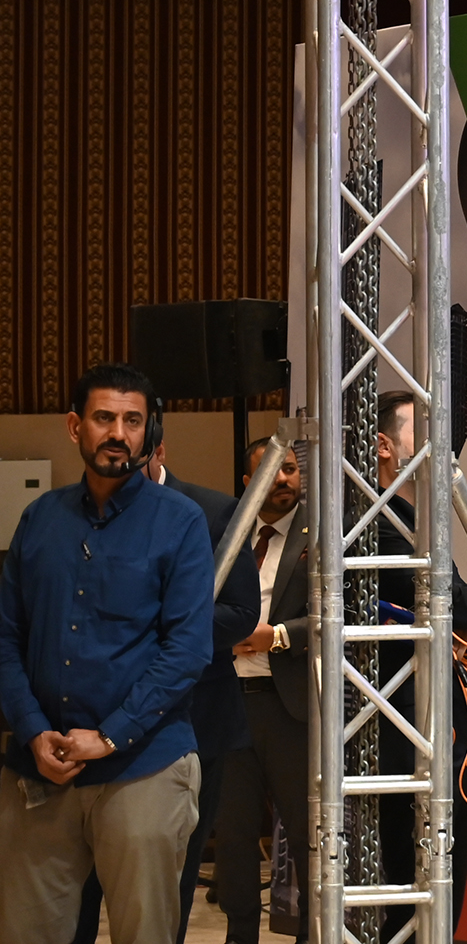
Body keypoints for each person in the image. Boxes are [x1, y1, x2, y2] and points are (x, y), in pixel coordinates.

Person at [0, 363, 213, 944]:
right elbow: (7, 639)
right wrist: (32, 730)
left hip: (144, 765)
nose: (119, 433)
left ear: (148, 431)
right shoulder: (39, 519)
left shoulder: (180, 522)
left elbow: (188, 649)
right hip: (41, 767)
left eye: (132, 421)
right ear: (75, 426)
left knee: (144, 934)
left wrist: (111, 735)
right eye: (104, 418)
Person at [68, 431, 261, 944]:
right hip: (91, 719)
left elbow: (241, 613)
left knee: (167, 887)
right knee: (79, 888)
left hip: (193, 721)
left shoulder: (213, 512)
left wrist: (150, 624)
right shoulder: (72, 514)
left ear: (160, 451)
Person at [371, 385, 467, 936]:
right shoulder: (379, 524)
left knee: (442, 896)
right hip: (405, 733)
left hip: (439, 728)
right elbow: (466, 606)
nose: (439, 446)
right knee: (417, 897)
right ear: (384, 446)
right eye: (423, 433)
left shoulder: (420, 519)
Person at [218, 435, 312, 944]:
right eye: (270, 471)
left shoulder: (321, 534)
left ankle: (312, 934)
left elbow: (338, 616)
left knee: (305, 833)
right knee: (232, 835)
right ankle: (239, 933)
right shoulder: (227, 536)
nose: (282, 479)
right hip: (230, 703)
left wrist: (275, 636)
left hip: (289, 708)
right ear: (247, 482)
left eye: (290, 469)